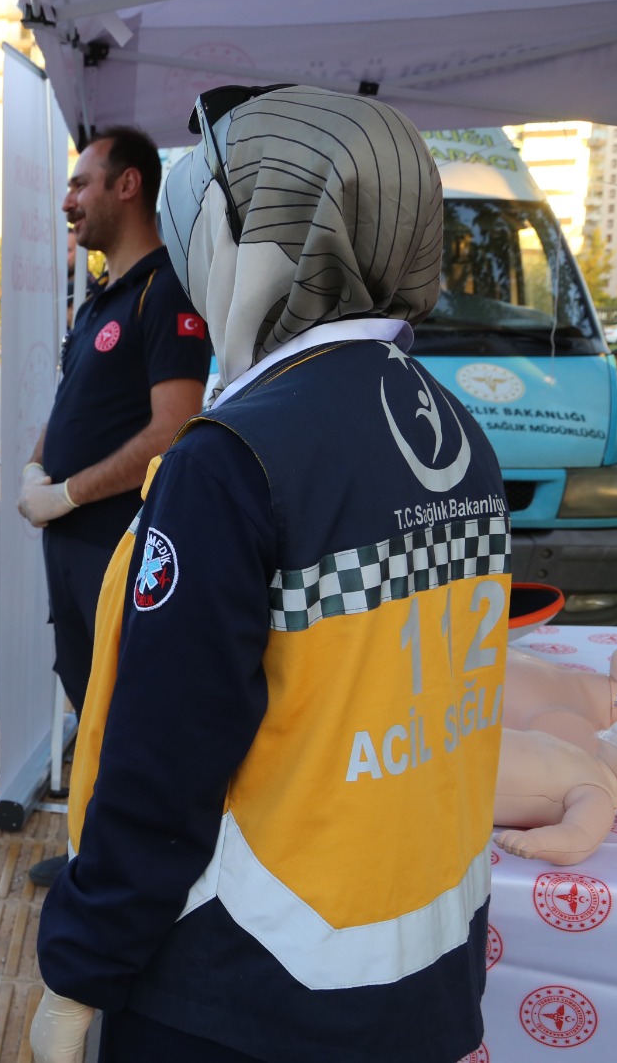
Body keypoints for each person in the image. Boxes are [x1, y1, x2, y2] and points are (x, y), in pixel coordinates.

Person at [31, 85, 505, 1063]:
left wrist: (79, 970)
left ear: (259, 245)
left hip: (244, 987)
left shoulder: (234, 458)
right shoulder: (455, 429)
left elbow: (161, 767)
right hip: (420, 973)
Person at [20, 127, 213, 887]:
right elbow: (76, 403)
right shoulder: (102, 293)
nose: (68, 202)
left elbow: (174, 427)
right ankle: (96, 857)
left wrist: (69, 491)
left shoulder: (167, 291)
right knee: (85, 693)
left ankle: (131, 872)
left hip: (117, 545)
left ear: (126, 186)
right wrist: (38, 461)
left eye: (80, 184)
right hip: (72, 545)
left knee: (126, 710)